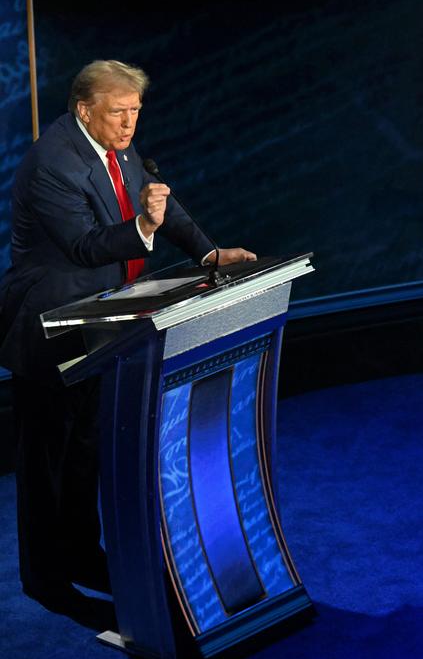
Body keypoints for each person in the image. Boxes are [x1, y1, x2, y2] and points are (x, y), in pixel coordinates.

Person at [0, 60, 255, 629]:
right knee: (47, 460)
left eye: (136, 112)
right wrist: (142, 227)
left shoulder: (113, 144)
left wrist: (208, 254)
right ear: (85, 110)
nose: (130, 124)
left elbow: (159, 202)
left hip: (106, 319)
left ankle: (81, 551)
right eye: (120, 113)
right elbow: (87, 245)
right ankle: (44, 577)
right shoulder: (52, 163)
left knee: (87, 448)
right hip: (52, 325)